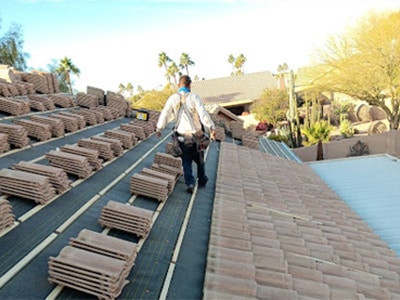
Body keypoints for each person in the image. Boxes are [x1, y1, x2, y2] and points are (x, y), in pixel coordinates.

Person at [156, 75, 216, 193]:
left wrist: (159, 128)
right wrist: (211, 128)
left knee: (186, 160)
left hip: (181, 135)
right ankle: (202, 179)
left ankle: (190, 183)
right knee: (199, 159)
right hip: (196, 136)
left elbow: (165, 114)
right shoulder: (194, 97)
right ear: (190, 85)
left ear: (179, 85)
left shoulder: (173, 98)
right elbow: (203, 114)